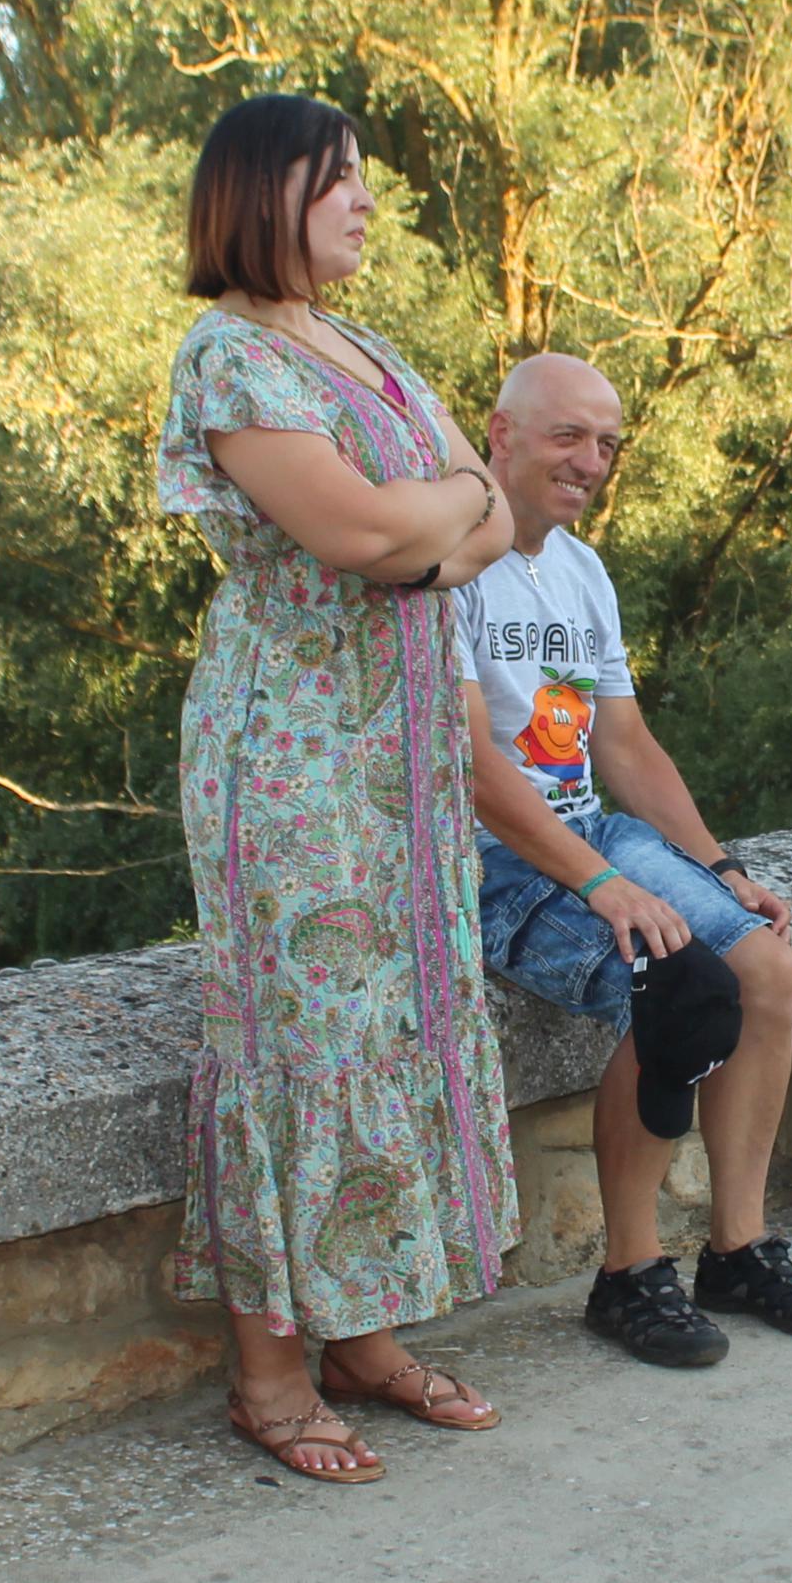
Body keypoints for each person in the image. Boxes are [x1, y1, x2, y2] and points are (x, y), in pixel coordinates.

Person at [152, 92, 520, 1482]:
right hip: (293, 764)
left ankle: (360, 1328)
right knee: (301, 1041)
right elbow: (372, 529)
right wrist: (427, 532)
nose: (367, 201)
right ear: (263, 193)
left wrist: (430, 532)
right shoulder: (227, 357)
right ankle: (265, 1367)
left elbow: (483, 499)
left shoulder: (354, 347)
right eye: (338, 180)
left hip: (399, 762)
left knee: (393, 1018)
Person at [457, 350, 792, 1364]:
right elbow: (469, 769)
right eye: (566, 435)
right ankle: (628, 1272)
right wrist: (602, 885)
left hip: (587, 828)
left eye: (604, 442)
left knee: (765, 960)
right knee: (673, 984)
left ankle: (736, 1246)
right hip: (497, 859)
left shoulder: (579, 570)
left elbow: (621, 746)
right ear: (498, 433)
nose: (589, 459)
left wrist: (718, 869)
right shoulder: (449, 561)